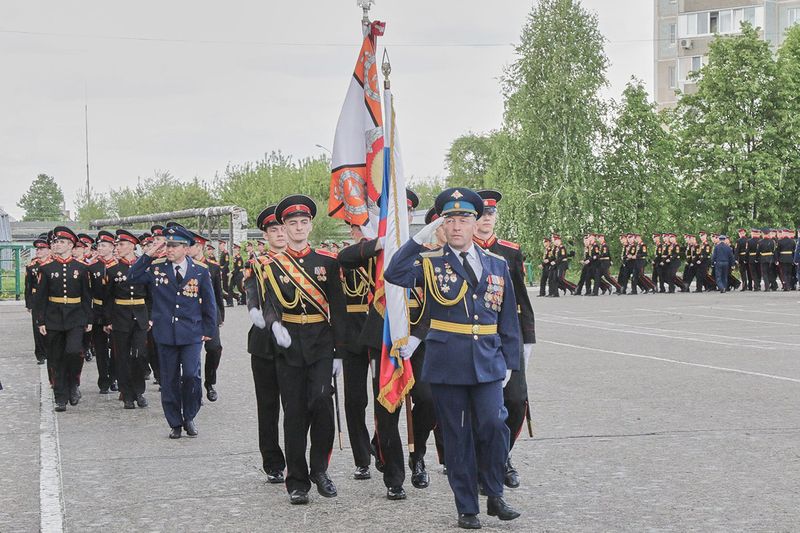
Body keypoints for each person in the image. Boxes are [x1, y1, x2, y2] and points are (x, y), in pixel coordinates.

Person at [385, 187, 521, 530]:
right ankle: (467, 507)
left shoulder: (497, 264)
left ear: (476, 223)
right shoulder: (430, 263)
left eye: (464, 219)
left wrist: (511, 362)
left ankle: (494, 493)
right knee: (458, 437)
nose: (458, 226)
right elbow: (394, 273)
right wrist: (420, 237)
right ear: (442, 226)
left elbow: (508, 319)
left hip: (488, 361)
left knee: (493, 425)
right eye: (451, 220)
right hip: (448, 364)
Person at [338, 189, 436, 500]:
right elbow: (344, 258)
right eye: (394, 212)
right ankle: (394, 476)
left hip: (420, 339)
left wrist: (418, 335)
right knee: (387, 407)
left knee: (428, 400)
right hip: (383, 338)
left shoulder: (428, 251)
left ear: (411, 216)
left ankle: (417, 452)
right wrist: (380, 243)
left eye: (406, 212)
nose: (401, 217)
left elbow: (436, 301)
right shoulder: (375, 252)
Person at [257, 194, 345, 505]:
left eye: (303, 222)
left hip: (322, 342)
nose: (297, 228)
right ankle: (297, 481)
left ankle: (319, 468)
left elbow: (339, 308)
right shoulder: (272, 264)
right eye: (291, 223)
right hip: (289, 345)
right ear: (284, 226)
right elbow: (267, 302)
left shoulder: (327, 262)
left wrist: (339, 353)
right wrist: (273, 324)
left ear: (310, 225)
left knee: (321, 402)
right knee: (294, 413)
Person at [126, 224, 218, 439]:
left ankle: (190, 416)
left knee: (190, 376)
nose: (169, 249)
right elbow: (133, 275)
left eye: (175, 245)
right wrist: (150, 251)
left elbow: (209, 303)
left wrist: (209, 328)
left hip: (192, 333)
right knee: (169, 380)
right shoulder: (157, 268)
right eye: (167, 245)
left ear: (186, 249)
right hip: (166, 333)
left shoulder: (200, 270)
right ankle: (175, 422)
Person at [474, 189, 536, 488]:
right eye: (482, 213)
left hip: (509, 336)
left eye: (491, 213)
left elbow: (522, 297)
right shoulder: (461, 251)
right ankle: (486, 461)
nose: (487, 219)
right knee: (482, 407)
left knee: (516, 400)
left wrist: (528, 339)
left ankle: (501, 456)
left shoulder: (510, 252)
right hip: (477, 338)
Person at [244, 205, 288, 484]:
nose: (281, 234)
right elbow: (250, 288)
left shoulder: (303, 260)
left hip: (297, 340)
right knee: (268, 405)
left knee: (299, 406)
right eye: (274, 229)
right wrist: (252, 308)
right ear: (265, 234)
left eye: (283, 228)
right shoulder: (258, 262)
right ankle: (272, 462)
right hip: (264, 344)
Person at [33, 226, 93, 412]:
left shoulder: (82, 268)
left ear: (70, 245)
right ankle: (60, 396)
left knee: (74, 351)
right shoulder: (46, 268)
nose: (57, 245)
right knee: (56, 357)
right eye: (55, 242)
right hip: (54, 317)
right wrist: (40, 321)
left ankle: (73, 384)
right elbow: (40, 298)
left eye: (61, 242)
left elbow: (87, 296)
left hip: (76, 316)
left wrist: (88, 319)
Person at [102, 230, 150, 409]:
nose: (118, 248)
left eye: (121, 244)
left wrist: (150, 318)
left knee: (139, 355)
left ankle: (139, 391)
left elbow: (151, 295)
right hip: (120, 317)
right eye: (117, 244)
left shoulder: (144, 267)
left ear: (131, 246)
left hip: (140, 316)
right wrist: (108, 320)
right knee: (121, 357)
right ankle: (127, 394)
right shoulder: (113, 269)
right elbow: (107, 298)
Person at [183, 229, 226, 402]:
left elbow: (218, 293)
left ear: (199, 246)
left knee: (214, 349)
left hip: (209, 314)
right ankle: (195, 388)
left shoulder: (213, 267)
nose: (186, 249)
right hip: (191, 315)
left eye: (189, 246)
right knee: (192, 353)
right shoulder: (183, 266)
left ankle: (210, 383)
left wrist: (220, 316)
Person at [88, 230, 117, 393]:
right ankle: (103, 380)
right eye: (99, 245)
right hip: (98, 310)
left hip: (115, 311)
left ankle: (114, 377)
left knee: (116, 347)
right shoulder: (92, 268)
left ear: (112, 247)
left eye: (104, 245)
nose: (100, 248)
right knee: (100, 348)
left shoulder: (119, 266)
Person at [25, 233, 51, 365]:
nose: (38, 251)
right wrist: (28, 303)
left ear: (49, 250)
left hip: (50, 298)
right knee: (37, 326)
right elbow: (28, 286)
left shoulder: (53, 264)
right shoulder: (32, 266)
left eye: (41, 249)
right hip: (36, 299)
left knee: (50, 324)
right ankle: (40, 354)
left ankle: (50, 350)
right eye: (37, 249)